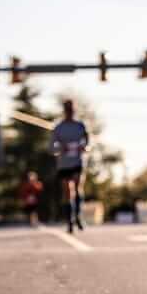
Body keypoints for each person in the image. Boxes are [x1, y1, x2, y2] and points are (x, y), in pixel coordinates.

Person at [51, 100, 89, 234]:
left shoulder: (80, 126)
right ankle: (70, 221)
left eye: (71, 109)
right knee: (68, 192)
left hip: (77, 162)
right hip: (64, 163)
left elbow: (87, 141)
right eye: (67, 109)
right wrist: (61, 148)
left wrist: (83, 147)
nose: (69, 112)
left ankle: (78, 216)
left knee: (78, 188)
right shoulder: (59, 127)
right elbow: (52, 146)